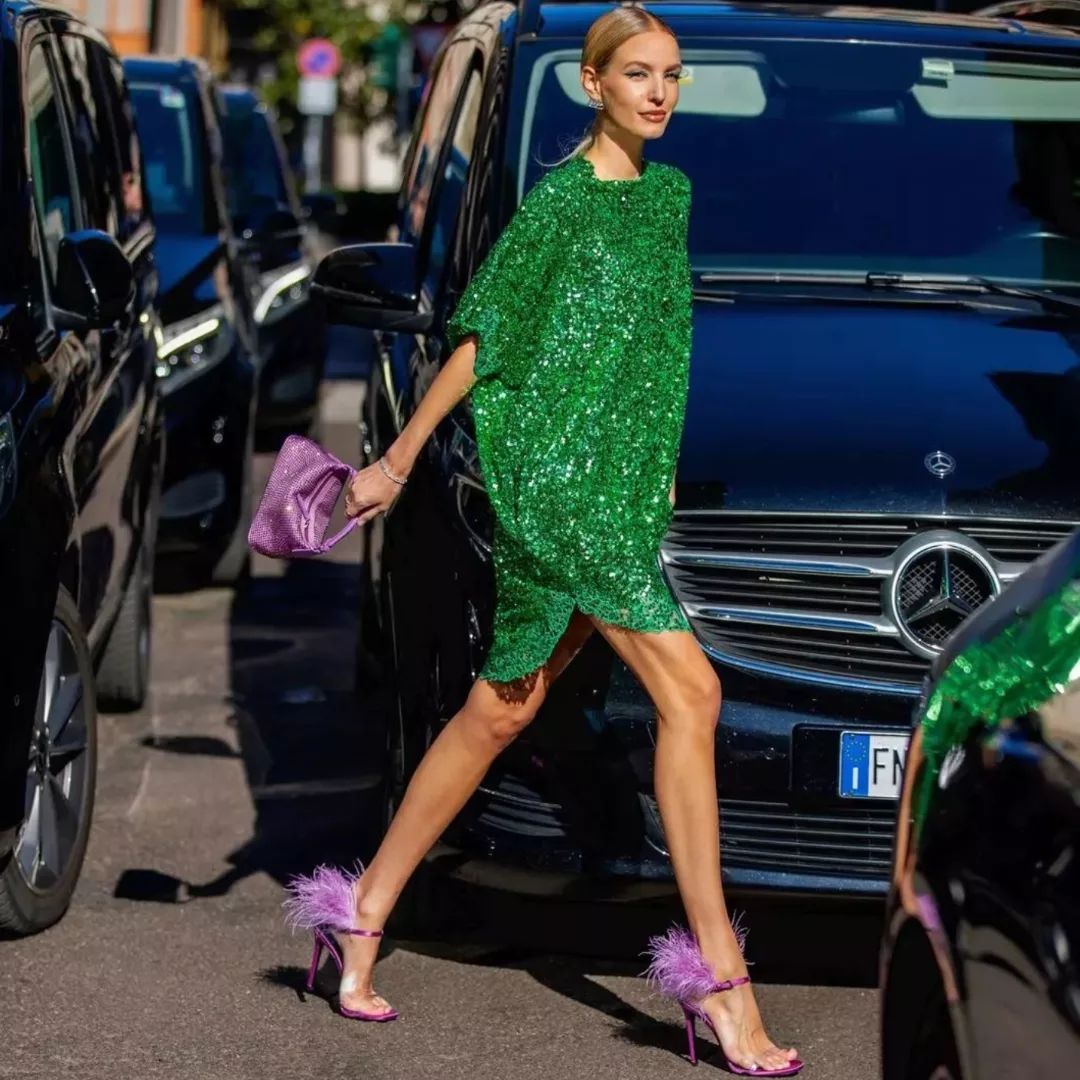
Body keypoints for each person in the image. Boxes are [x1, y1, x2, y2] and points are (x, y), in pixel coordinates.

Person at [283, 5, 802, 1074]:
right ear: (591, 84)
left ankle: (361, 911)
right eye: (638, 74)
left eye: (672, 76)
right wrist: (396, 459)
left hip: (619, 495)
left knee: (499, 710)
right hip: (558, 491)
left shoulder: (670, 200)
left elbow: (664, 346)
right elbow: (485, 339)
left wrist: (656, 470)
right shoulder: (559, 205)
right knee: (693, 695)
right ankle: (724, 986)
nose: (659, 92)